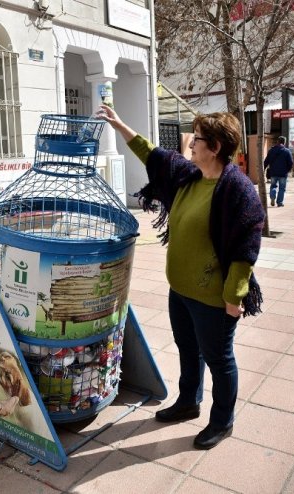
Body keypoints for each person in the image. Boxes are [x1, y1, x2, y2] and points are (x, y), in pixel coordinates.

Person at [96, 105, 265, 450]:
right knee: (188, 349)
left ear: (215, 147)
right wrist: (120, 124)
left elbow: (244, 249)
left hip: (213, 299)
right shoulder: (190, 176)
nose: (190, 145)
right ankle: (188, 401)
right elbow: (153, 154)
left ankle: (222, 422)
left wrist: (233, 298)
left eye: (197, 140)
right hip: (181, 290)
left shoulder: (237, 190)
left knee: (219, 359)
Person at [263, 136, 293, 207]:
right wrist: (287, 170)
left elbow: (266, 161)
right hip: (283, 173)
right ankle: (279, 202)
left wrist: (263, 169)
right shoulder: (287, 151)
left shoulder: (271, 150)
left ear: (277, 141)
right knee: (282, 188)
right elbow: (291, 163)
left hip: (273, 172)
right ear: (284, 142)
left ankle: (273, 197)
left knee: (273, 186)